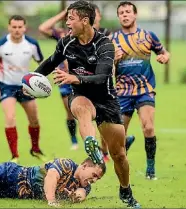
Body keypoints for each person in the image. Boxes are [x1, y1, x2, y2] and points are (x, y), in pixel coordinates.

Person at [31, 1, 140, 207]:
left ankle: (125, 189)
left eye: (71, 18)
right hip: (80, 95)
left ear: (85, 20)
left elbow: (102, 76)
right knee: (81, 109)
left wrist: (75, 78)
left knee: (119, 155)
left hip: (106, 100)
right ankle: (92, 145)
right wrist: (31, 78)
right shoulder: (66, 42)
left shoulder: (104, 44)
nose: (67, 22)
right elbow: (51, 61)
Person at [111, 1, 170, 180]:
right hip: (122, 91)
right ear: (119, 17)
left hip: (145, 89)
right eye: (121, 13)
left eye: (128, 12)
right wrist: (114, 59)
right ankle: (125, 143)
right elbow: (106, 69)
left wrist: (164, 57)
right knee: (119, 134)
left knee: (148, 127)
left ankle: (150, 168)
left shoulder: (148, 36)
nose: (125, 15)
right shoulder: (112, 40)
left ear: (135, 15)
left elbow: (165, 53)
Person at [0, 15, 46, 163]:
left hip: (26, 87)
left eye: (20, 27)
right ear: (9, 27)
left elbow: (42, 63)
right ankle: (15, 156)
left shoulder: (32, 44)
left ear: (25, 28)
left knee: (34, 119)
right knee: (10, 117)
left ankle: (35, 149)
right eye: (14, 27)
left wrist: (39, 82)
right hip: (6, 85)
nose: (17, 30)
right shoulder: (0, 45)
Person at [0, 157, 105, 207]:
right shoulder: (66, 164)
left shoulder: (85, 186)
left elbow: (81, 195)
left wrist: (75, 197)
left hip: (14, 193)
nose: (94, 180)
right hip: (11, 174)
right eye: (95, 174)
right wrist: (52, 200)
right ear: (84, 165)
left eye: (98, 178)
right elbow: (51, 178)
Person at [38, 10, 79, 151]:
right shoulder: (62, 35)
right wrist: (62, 14)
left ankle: (95, 142)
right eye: (69, 17)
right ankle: (74, 140)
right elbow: (43, 28)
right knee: (70, 112)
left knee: (87, 110)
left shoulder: (85, 33)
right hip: (63, 78)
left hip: (82, 77)